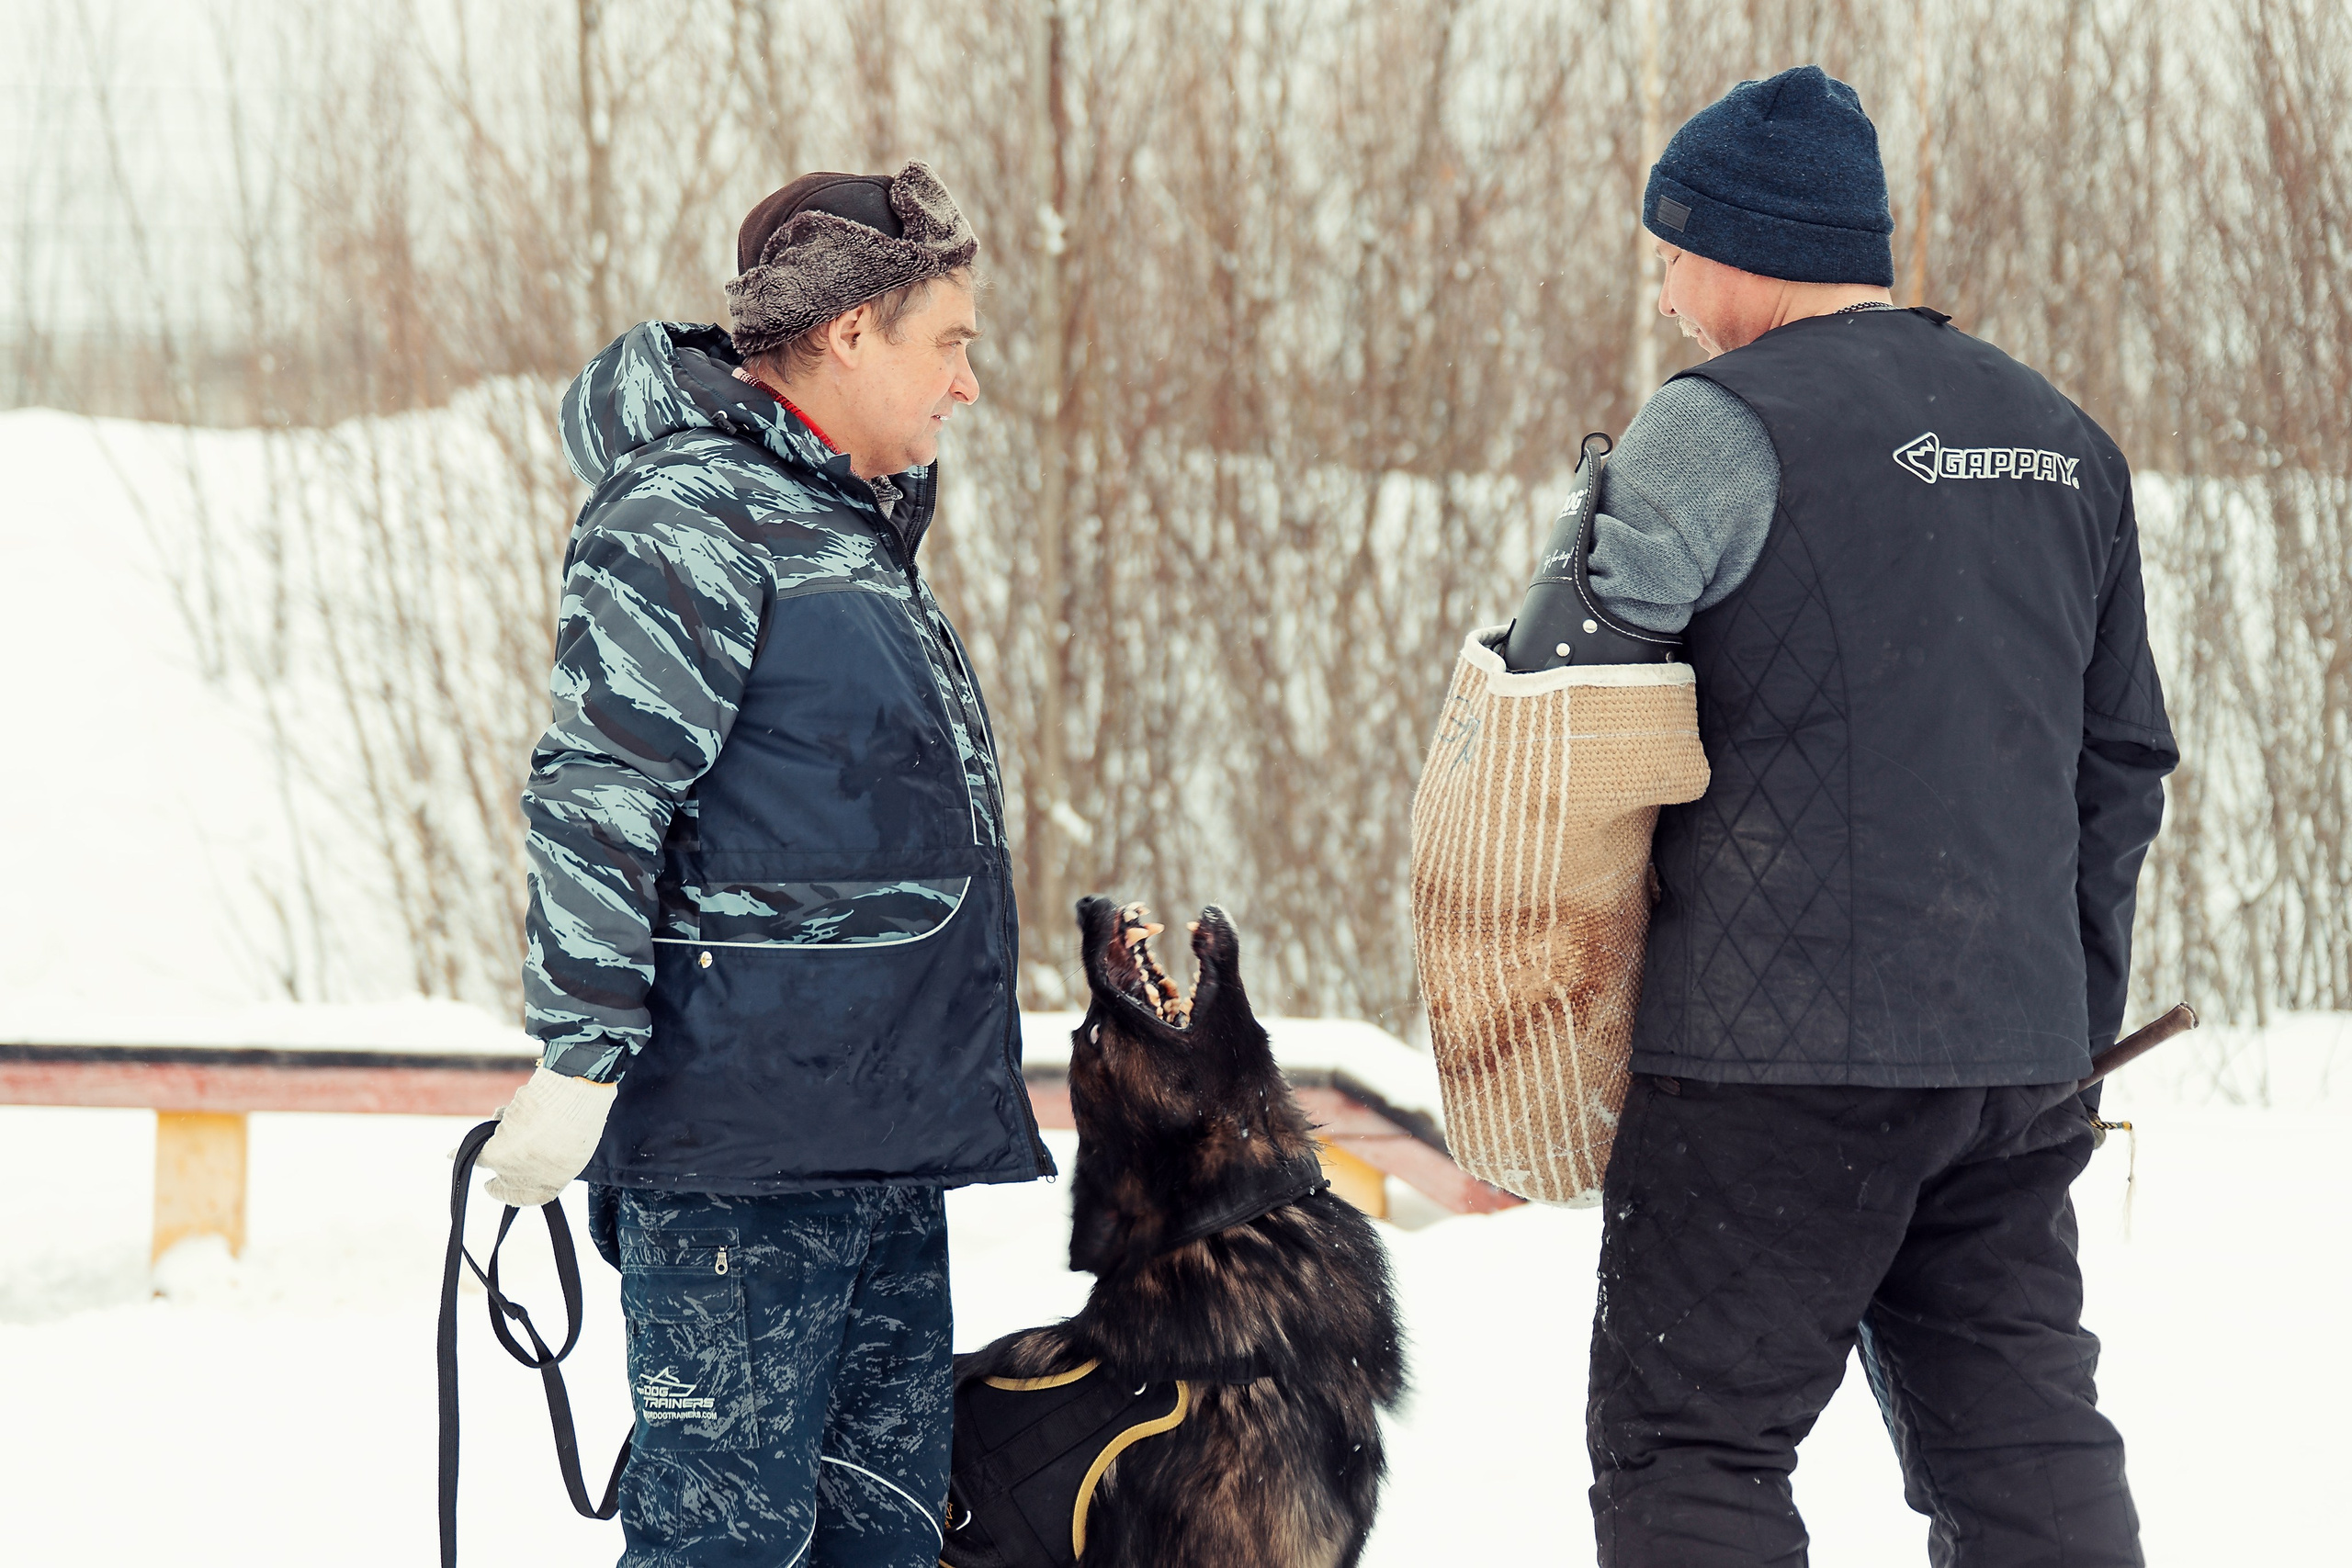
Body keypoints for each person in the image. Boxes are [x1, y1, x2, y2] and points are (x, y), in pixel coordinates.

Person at [1580, 66, 2176, 1568]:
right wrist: (2063, 1011)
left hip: (1766, 1068)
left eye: (1670, 253)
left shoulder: (1713, 426)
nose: (1662, 294)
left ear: (1739, 247)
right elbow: (2123, 759)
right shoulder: (2064, 437)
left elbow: (1559, 708)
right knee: (2020, 1445)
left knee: (1696, 1447)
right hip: (2011, 1059)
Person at [474, 163, 1052, 1568]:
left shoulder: (840, 519)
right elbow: (604, 786)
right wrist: (580, 1047)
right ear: (851, 332)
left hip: (880, 1139)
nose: (968, 383)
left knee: (891, 1537)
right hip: (744, 1159)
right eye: (951, 341)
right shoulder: (689, 517)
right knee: (724, 1547)